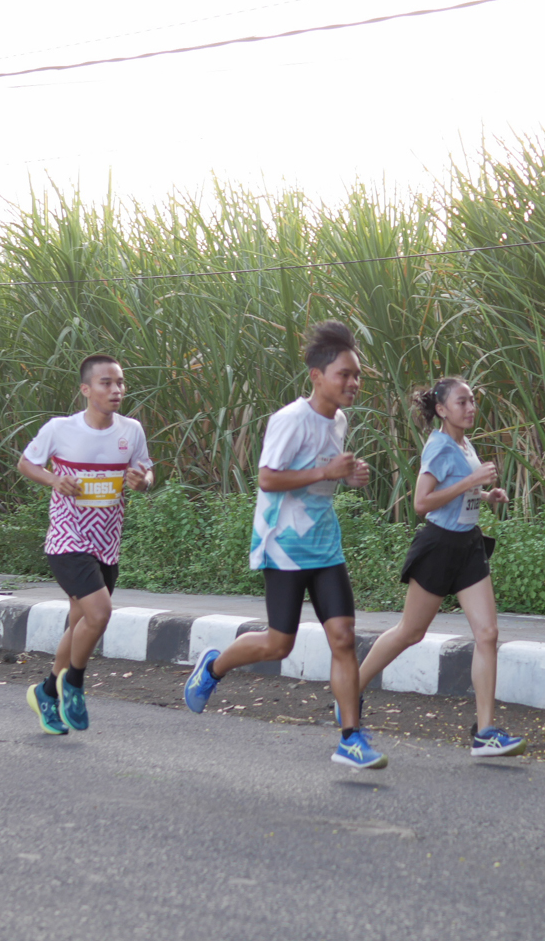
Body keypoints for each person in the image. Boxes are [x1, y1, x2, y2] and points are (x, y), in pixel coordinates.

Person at [183, 321, 388, 769]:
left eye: (357, 375)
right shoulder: (290, 420)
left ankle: (351, 739)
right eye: (344, 374)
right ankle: (214, 666)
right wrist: (327, 472)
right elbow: (267, 478)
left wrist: (348, 476)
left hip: (325, 545)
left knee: (343, 638)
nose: (354, 383)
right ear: (317, 376)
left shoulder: (339, 420)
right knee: (279, 645)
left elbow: (322, 475)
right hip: (283, 546)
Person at [348, 377, 526, 757]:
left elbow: (459, 489)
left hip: (469, 546)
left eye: (473, 400)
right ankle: (351, 691)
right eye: (462, 402)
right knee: (410, 632)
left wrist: (485, 495)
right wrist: (472, 481)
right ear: (442, 410)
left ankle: (485, 732)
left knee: (488, 634)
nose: (471, 407)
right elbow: (421, 503)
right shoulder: (439, 446)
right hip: (439, 546)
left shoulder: (464, 443)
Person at [20, 354, 153, 735]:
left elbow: (146, 471)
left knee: (81, 622)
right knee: (99, 613)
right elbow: (27, 463)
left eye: (120, 382)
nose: (116, 390)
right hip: (68, 538)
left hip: (106, 542)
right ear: (86, 389)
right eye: (106, 383)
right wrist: (54, 480)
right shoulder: (60, 429)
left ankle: (47, 692)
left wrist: (142, 482)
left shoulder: (131, 430)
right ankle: (73, 685)